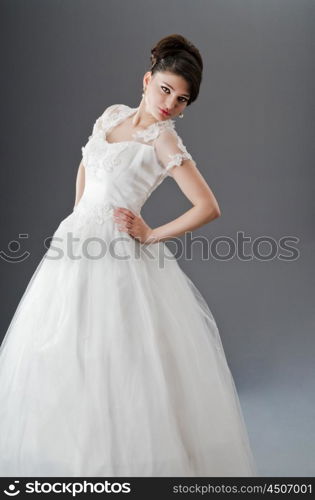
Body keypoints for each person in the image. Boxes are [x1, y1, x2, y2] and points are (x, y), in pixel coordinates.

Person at [0, 34, 257, 477]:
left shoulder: (164, 143)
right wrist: (78, 213)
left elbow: (208, 207)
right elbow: (88, 162)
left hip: (119, 252)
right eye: (165, 90)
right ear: (146, 79)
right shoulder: (112, 116)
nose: (171, 104)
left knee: (119, 354)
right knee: (65, 346)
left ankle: (128, 465)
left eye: (182, 99)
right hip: (75, 244)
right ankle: (72, 460)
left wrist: (151, 233)